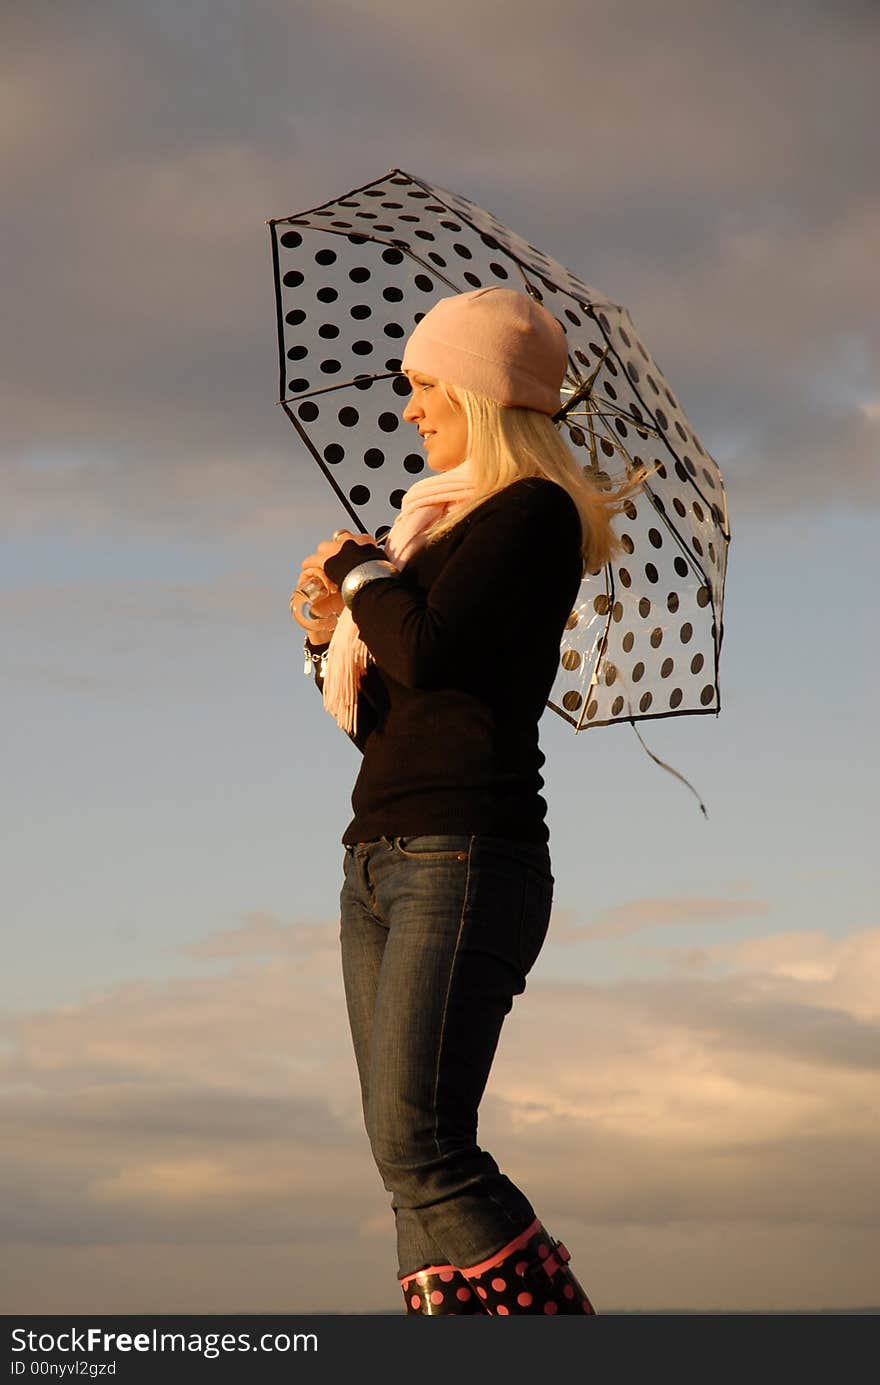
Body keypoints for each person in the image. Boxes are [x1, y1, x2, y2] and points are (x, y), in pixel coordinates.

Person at [292, 287, 646, 1315]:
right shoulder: (431, 531)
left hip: (463, 852)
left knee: (423, 1141)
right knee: (403, 1167)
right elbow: (399, 717)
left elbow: (435, 651)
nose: (409, 411)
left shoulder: (528, 515)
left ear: (478, 392)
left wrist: (362, 571)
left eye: (422, 387)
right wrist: (331, 630)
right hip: (380, 852)